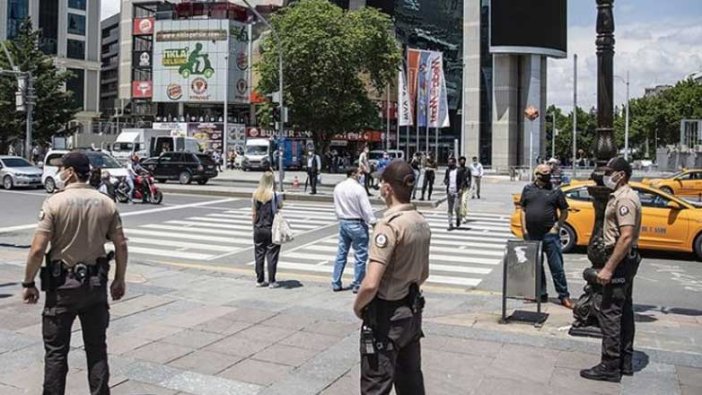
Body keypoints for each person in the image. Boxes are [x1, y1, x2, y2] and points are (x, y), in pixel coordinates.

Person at [21, 152, 127, 394]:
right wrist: (119, 279)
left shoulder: (55, 203)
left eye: (62, 169)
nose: (59, 173)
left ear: (70, 172)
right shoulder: (106, 202)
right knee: (97, 349)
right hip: (95, 285)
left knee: (56, 352)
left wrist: (28, 282)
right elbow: (120, 244)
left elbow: (38, 249)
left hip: (62, 288)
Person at [353, 159, 430, 394]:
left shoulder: (389, 226)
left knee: (376, 383)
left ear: (388, 188)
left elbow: (371, 283)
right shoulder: (420, 221)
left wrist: (358, 307)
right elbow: (424, 274)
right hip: (411, 312)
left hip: (386, 316)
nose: (379, 188)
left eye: (380, 183)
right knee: (410, 380)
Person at [581, 157, 642, 383]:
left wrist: (608, 268)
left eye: (610, 171)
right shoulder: (620, 196)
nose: (606, 175)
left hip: (620, 259)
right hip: (626, 259)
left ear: (621, 175)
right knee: (624, 310)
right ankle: (624, 361)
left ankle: (610, 364)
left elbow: (625, 237)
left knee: (610, 312)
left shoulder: (625, 198)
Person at [519, 164, 573, 308]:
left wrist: (557, 226)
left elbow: (564, 211)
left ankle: (564, 295)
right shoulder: (528, 189)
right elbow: (523, 209)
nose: (547, 175)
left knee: (557, 267)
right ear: (536, 174)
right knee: (536, 266)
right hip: (532, 234)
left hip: (550, 235)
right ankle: (539, 293)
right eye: (544, 173)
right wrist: (524, 229)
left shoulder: (555, 190)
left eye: (549, 173)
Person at [332, 167, 377, 293]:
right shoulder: (359, 189)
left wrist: (339, 217)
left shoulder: (338, 187)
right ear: (354, 174)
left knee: (341, 253)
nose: (361, 175)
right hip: (357, 223)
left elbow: (336, 205)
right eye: (359, 173)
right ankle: (358, 284)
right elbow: (366, 208)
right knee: (360, 255)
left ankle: (336, 282)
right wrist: (373, 222)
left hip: (343, 222)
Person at [252, 171, 282, 288]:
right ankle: (272, 281)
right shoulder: (275, 194)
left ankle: (259, 280)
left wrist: (254, 227)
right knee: (272, 254)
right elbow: (280, 207)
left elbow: (253, 213)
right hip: (271, 227)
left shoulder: (255, 194)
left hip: (258, 227)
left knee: (259, 254)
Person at [443, 157, 468, 229]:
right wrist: (445, 181)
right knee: (449, 208)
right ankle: (450, 224)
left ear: (454, 163)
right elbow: (446, 178)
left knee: (456, 207)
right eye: (448, 162)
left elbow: (463, 180)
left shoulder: (459, 170)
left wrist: (461, 189)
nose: (449, 164)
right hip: (449, 191)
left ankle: (458, 217)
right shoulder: (448, 170)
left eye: (450, 162)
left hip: (457, 191)